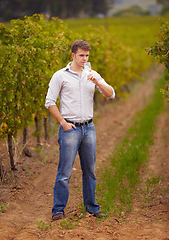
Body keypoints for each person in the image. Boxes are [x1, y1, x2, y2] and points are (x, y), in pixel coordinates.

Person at [45, 40, 115, 221]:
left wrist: (97, 82)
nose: (84, 59)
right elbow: (50, 102)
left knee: (90, 171)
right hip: (70, 129)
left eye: (87, 56)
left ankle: (92, 208)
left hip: (89, 128)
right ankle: (58, 210)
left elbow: (111, 94)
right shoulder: (60, 76)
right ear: (73, 55)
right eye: (81, 55)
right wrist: (63, 122)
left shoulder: (92, 74)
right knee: (64, 173)